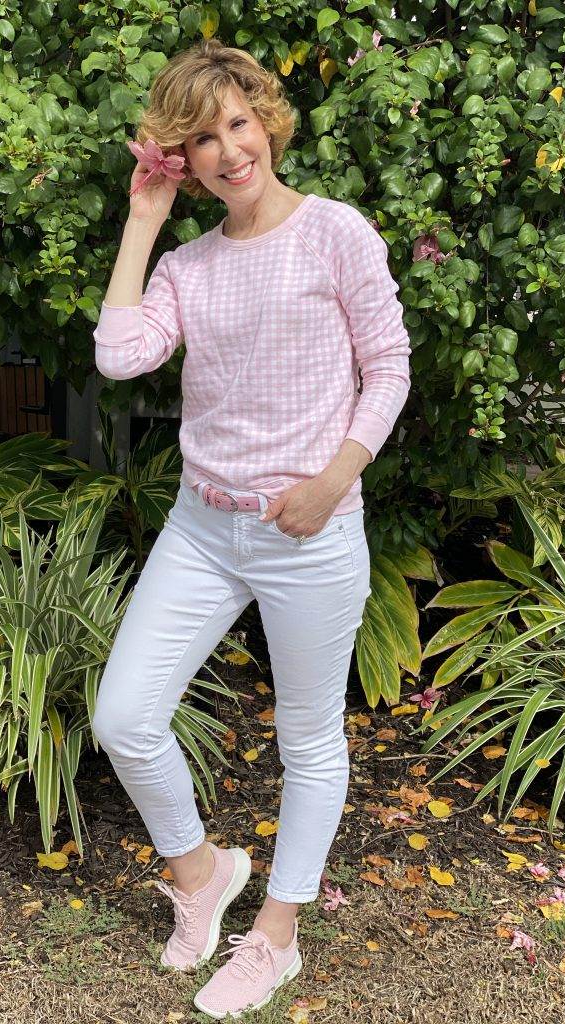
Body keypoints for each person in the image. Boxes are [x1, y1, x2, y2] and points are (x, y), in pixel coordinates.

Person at [91, 37, 411, 1020]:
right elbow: (118, 356)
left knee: (307, 736)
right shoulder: (187, 265)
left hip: (311, 529)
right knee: (124, 717)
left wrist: (332, 478)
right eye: (201, 138)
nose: (230, 149)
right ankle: (201, 871)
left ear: (266, 120)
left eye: (238, 122)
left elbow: (389, 368)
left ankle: (276, 935)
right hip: (203, 526)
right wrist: (142, 222)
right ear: (179, 162)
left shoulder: (335, 235)